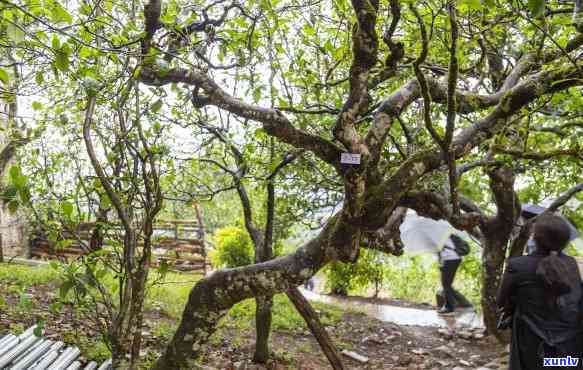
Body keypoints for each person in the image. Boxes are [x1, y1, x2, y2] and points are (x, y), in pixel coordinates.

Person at [497, 214, 583, 370]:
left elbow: (500, 301)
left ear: (535, 238)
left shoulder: (517, 266)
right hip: (570, 347)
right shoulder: (571, 264)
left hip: (532, 348)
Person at [437, 235, 471, 315]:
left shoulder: (443, 235)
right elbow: (441, 251)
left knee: (446, 284)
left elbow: (442, 250)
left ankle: (450, 307)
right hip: (451, 259)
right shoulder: (444, 234)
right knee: (447, 284)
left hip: (451, 259)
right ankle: (463, 304)